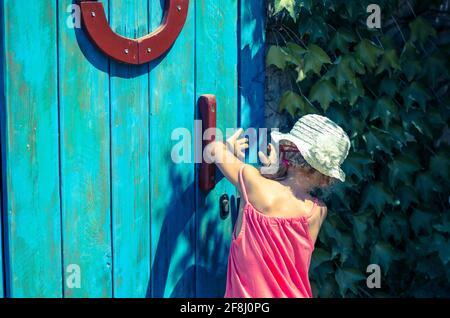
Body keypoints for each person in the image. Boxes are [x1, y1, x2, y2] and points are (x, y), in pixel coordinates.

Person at [205, 114, 351, 298]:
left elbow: (213, 149)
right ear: (326, 179)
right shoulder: (317, 212)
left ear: (287, 150)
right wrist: (273, 173)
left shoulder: (252, 182)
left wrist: (228, 146)